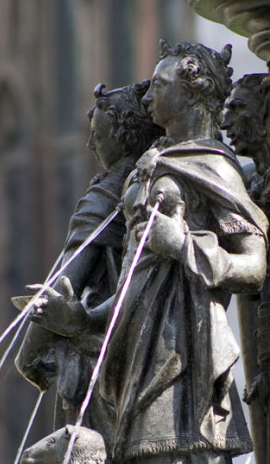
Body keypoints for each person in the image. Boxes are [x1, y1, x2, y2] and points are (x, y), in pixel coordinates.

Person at [31, 41, 267, 464]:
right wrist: (77, 318)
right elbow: (130, 287)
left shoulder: (213, 165)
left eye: (159, 84)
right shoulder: (146, 169)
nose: (147, 95)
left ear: (192, 90)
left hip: (189, 366)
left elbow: (252, 263)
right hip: (134, 364)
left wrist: (184, 245)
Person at [15, 81, 162, 439]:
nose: (89, 144)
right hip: (154, 348)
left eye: (97, 134)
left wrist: (28, 357)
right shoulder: (155, 183)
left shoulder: (106, 193)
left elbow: (66, 278)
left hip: (106, 357)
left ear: (123, 135)